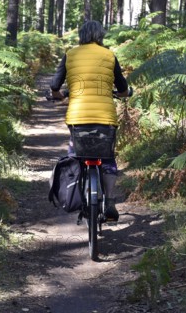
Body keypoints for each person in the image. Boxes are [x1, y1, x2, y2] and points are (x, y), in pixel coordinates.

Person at [50, 20, 130, 221]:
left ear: (82, 35)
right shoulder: (109, 55)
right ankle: (110, 201)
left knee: (75, 153)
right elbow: (122, 87)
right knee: (108, 158)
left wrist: (58, 95)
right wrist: (123, 93)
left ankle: (76, 194)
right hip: (105, 117)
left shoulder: (71, 54)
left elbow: (54, 85)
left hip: (78, 117)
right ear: (100, 35)